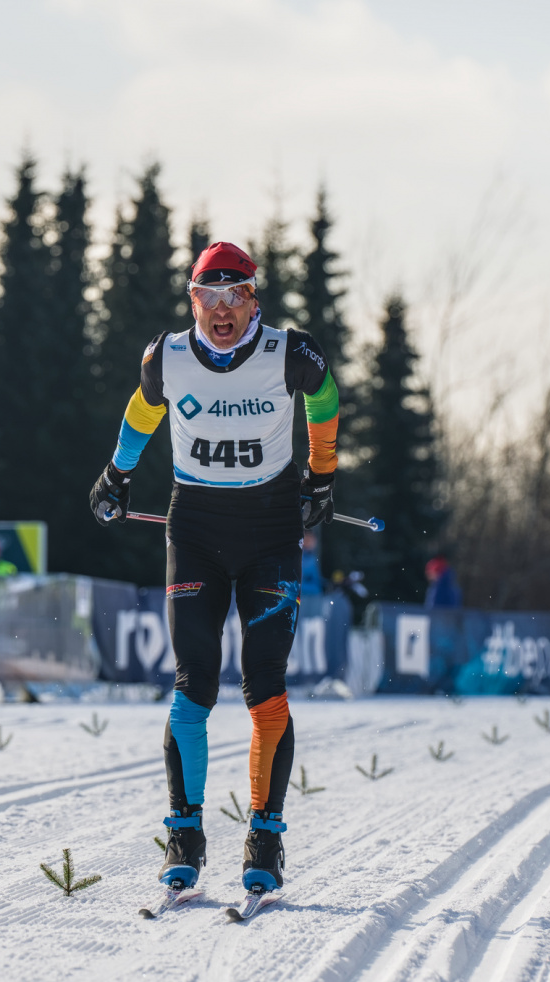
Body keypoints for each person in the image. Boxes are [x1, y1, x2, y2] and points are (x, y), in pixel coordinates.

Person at [88, 240, 340, 899]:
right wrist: (117, 472)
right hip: (196, 530)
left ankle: (266, 839)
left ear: (254, 300)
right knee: (193, 686)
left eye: (235, 296)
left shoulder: (290, 352)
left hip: (271, 533)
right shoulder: (167, 356)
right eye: (208, 296)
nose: (221, 310)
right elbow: (143, 409)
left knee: (265, 686)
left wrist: (322, 475)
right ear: (192, 301)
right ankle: (184, 837)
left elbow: (324, 397)